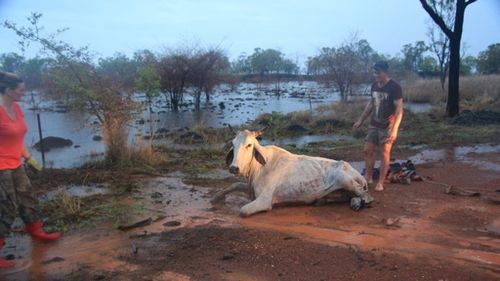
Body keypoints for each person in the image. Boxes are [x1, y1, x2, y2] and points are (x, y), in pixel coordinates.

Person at [0, 71, 62, 269]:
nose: (24, 93)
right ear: (8, 91)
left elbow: (17, 138)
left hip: (16, 163)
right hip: (0, 168)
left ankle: (36, 231)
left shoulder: (17, 108)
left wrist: (29, 158)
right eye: (21, 90)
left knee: (27, 197)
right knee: (6, 208)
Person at [352, 61, 403, 192]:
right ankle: (368, 177)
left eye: (378, 72)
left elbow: (399, 109)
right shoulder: (374, 86)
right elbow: (371, 104)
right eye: (374, 72)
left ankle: (380, 182)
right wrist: (360, 120)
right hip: (374, 124)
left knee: (385, 153)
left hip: (387, 126)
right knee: (367, 150)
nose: (375, 75)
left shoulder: (394, 87)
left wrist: (394, 129)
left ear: (385, 72)